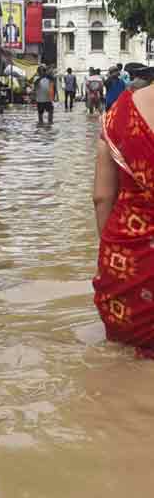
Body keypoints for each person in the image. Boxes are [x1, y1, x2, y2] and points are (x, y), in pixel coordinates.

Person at [92, 73, 154, 357]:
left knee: (122, 357)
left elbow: (101, 197)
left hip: (125, 262)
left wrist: (111, 259)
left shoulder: (119, 111)